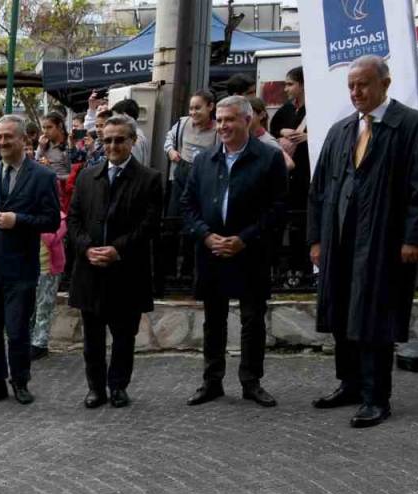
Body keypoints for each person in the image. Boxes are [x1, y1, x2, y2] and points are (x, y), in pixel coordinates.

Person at [308, 55, 418, 429]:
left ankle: (375, 396)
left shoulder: (412, 125)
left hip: (384, 239)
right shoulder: (341, 130)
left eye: (363, 84)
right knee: (341, 312)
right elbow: (319, 190)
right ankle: (349, 384)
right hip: (340, 239)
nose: (356, 92)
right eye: (351, 86)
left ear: (385, 83)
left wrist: (414, 238)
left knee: (374, 316)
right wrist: (316, 238)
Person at [180, 96, 287, 408]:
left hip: (251, 252)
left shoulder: (269, 158)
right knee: (214, 320)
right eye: (220, 120)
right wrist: (206, 236)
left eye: (230, 119)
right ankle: (211, 381)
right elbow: (187, 205)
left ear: (247, 121)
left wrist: (244, 238)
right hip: (211, 252)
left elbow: (278, 208)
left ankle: (251, 382)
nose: (223, 126)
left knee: (252, 320)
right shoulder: (204, 160)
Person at [0, 114, 61, 406]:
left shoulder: (43, 176)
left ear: (23, 139)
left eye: (8, 136)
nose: (3, 142)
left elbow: (52, 221)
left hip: (20, 268)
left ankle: (20, 381)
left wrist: (18, 220)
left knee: (18, 330)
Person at [67, 114, 163, 408]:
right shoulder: (87, 177)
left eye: (119, 140)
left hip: (127, 272)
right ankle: (95, 388)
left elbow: (150, 225)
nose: (112, 146)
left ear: (132, 141)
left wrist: (117, 249)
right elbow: (74, 220)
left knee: (124, 337)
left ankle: (118, 386)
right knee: (92, 339)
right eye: (107, 140)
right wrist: (87, 249)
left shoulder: (149, 179)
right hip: (91, 271)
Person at [163, 90, 219, 283]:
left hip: (203, 179)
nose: (193, 112)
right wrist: (171, 151)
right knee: (172, 222)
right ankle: (168, 271)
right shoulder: (182, 123)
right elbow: (168, 139)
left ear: (210, 107)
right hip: (181, 174)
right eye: (191, 108)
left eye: (198, 108)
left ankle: (188, 271)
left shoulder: (217, 130)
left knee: (193, 225)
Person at [271, 67, 312, 279]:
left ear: (302, 85)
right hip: (286, 177)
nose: (286, 89)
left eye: (290, 84)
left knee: (303, 223)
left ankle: (304, 269)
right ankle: (283, 269)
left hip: (306, 175)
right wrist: (282, 132)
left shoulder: (315, 108)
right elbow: (272, 129)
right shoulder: (286, 110)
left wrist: (308, 137)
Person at [29, 202, 67, 361]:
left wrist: (35, 224)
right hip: (29, 269)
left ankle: (40, 344)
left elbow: (51, 238)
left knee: (44, 307)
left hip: (48, 270)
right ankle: (28, 340)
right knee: (29, 308)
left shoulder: (60, 218)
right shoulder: (27, 213)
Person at [111, 99, 151, 165]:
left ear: (125, 115)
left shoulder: (134, 139)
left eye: (116, 117)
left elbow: (132, 164)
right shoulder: (138, 133)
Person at [35, 112, 71, 183]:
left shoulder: (69, 143)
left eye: (49, 127)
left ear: (60, 126)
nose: (45, 131)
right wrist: (41, 148)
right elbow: (35, 166)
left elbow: (72, 174)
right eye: (43, 128)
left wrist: (50, 170)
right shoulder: (44, 143)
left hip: (62, 186)